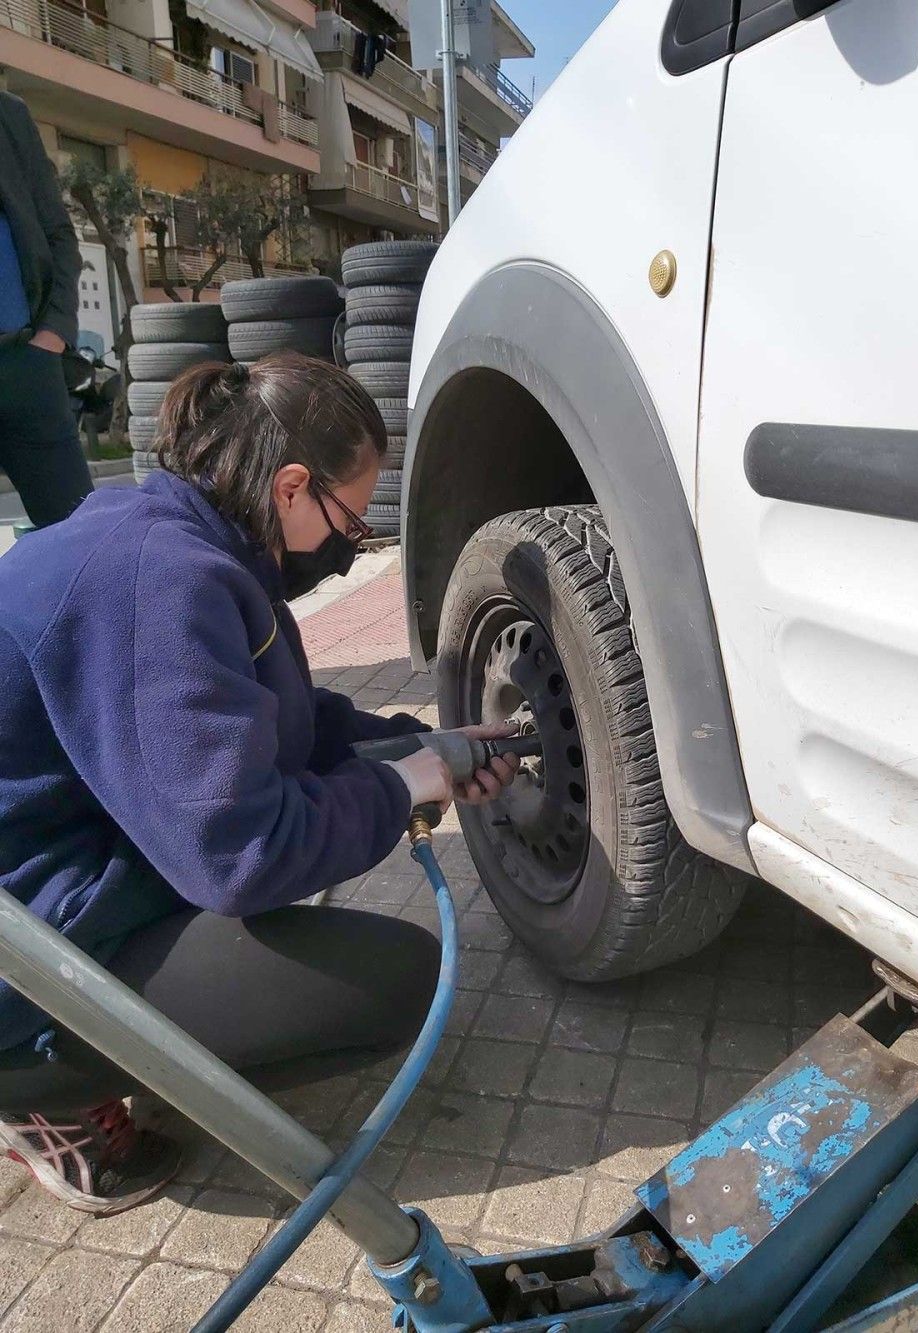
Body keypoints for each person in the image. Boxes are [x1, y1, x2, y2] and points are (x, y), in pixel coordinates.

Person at [0, 353, 518, 1214]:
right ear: (289, 486)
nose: (350, 553)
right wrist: (402, 792)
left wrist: (420, 744)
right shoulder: (160, 585)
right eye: (349, 521)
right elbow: (243, 853)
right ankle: (35, 1087)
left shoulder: (185, 531)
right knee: (394, 983)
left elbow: (266, 718)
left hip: (63, 855)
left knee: (301, 874)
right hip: (22, 954)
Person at [0, 91, 94, 527]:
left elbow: (59, 234)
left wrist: (53, 333)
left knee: (82, 540)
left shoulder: (9, 116)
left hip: (28, 366)